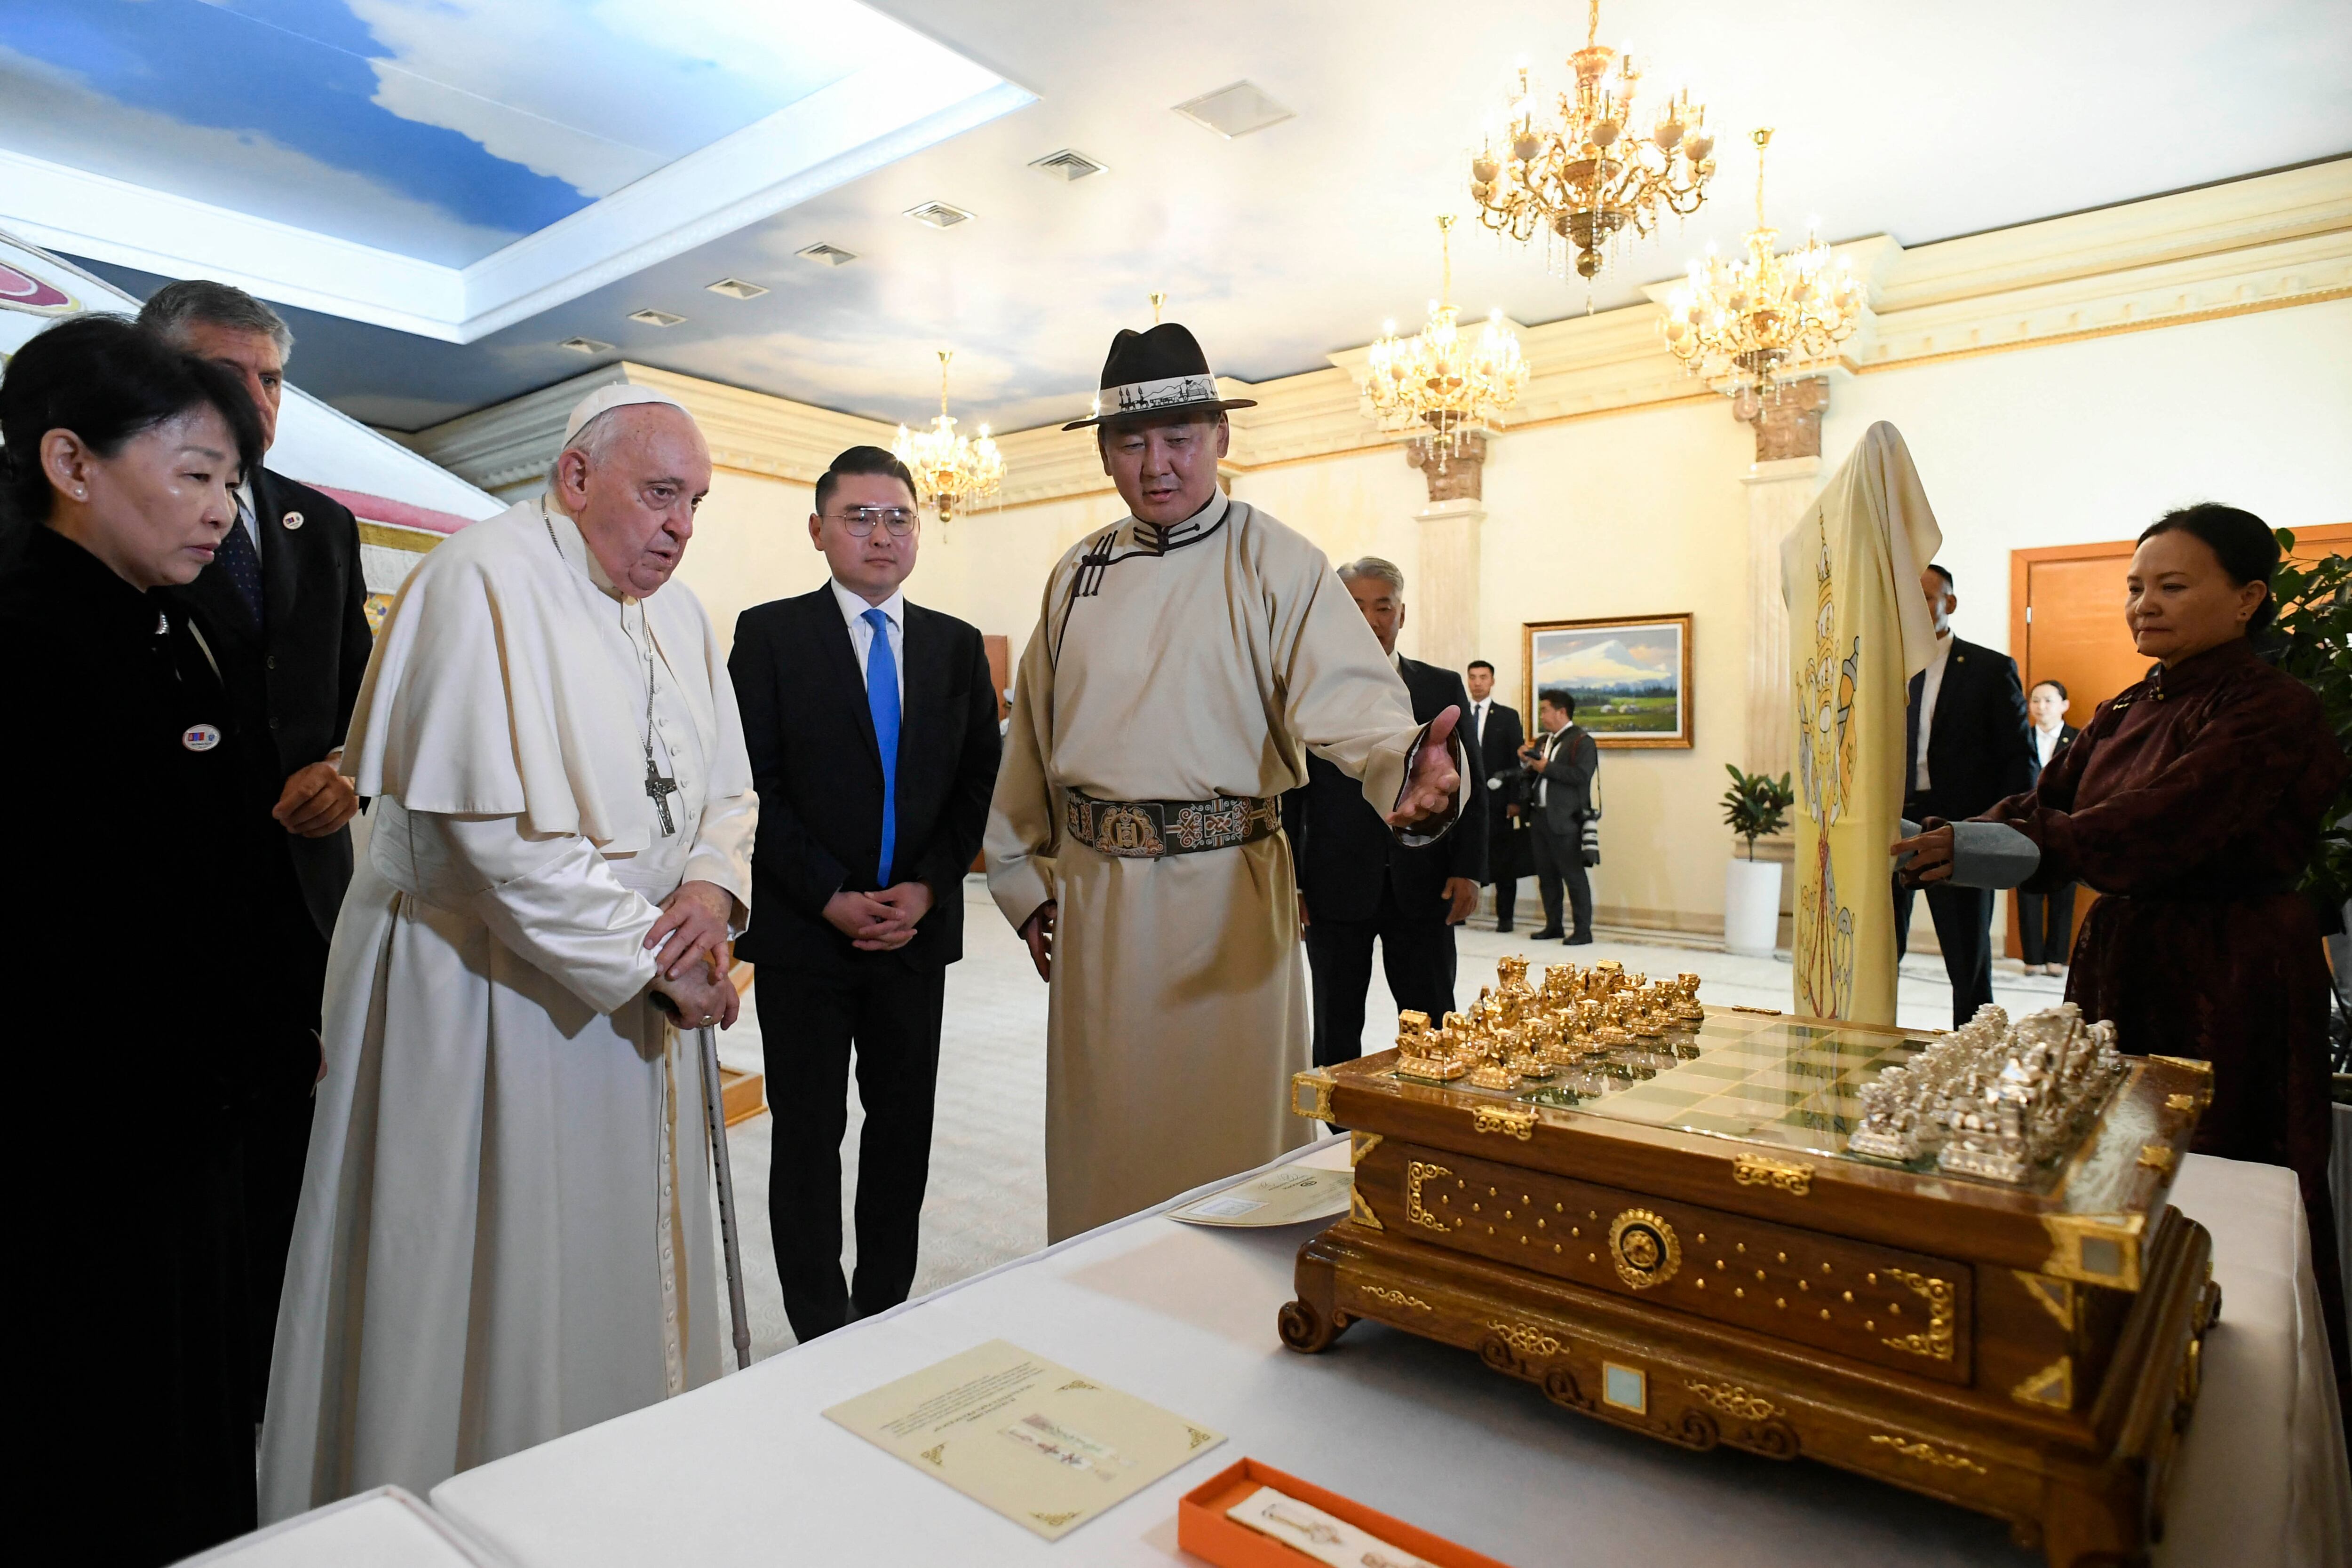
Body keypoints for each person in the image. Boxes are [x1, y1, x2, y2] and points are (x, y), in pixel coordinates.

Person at [261, 386, 757, 1513]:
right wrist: (658, 957)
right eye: (660, 493)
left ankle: (611, 1490)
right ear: (578, 479)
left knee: (615, 1262)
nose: (681, 526)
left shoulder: (679, 615)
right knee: (489, 1274)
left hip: (636, 978)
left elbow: (728, 791)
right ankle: (472, 1504)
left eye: (697, 504)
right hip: (479, 992)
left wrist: (709, 890)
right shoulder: (481, 577)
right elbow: (487, 844)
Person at [985, 322, 1465, 1243]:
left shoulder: (1278, 562)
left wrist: (1409, 767)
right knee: (1106, 1144)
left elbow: (1356, 705)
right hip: (1098, 905)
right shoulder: (1074, 575)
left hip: (1229, 903)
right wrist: (1020, 880)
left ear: (1221, 436)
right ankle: (1104, 1319)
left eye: (1179, 439)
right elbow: (1031, 744)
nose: (1156, 465)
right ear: (1103, 452)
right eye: (1132, 443)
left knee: (1230, 1158)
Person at [1895, 502, 2350, 1407]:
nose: (2145, 604)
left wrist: (1988, 846)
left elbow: (2159, 822)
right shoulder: (2133, 703)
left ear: (2250, 596)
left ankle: (2251, 1386)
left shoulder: (2277, 709)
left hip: (2232, 963)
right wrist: (1949, 836)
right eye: (2137, 586)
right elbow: (2043, 802)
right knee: (2114, 1149)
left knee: (2224, 1161)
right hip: (2126, 950)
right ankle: (2122, 1332)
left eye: (2173, 585)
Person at [0, 316, 269, 1563]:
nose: (220, 509)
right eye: (194, 473)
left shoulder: (189, 624)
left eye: (231, 481)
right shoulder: (26, 637)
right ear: (71, 462)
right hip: (72, 1128)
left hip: (192, 1107)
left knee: (192, 1405)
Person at [139, 279, 375, 1403]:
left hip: (305, 913)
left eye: (271, 379)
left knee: (291, 1172)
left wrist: (347, 770)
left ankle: (281, 1401)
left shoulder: (317, 524)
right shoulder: (99, 527)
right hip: (163, 916)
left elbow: (362, 699)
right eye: (226, 374)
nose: (256, 400)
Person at [728, 446, 999, 1344]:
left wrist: (925, 887)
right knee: (808, 1133)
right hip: (808, 936)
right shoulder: (769, 636)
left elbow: (975, 783)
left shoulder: (958, 646)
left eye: (899, 517)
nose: (882, 534)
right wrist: (833, 895)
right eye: (860, 516)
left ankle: (881, 1309)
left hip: (914, 937)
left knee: (902, 1130)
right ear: (819, 530)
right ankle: (816, 1324)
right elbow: (753, 783)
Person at [1284, 557, 1486, 1069]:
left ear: (1402, 614)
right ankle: (1338, 1133)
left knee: (1433, 1019)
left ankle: (1432, 1117)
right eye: (1355, 608)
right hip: (1334, 888)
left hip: (1424, 886)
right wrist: (1292, 883)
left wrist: (1468, 870)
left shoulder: (1439, 688)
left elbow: (1470, 786)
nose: (1372, 619)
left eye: (1383, 606)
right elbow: (1290, 796)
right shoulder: (1308, 693)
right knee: (1336, 1019)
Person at [1895, 562, 2034, 1025]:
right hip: (1890, 823)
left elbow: (2018, 756)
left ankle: (1975, 1046)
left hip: (1958, 827)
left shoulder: (1988, 669)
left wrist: (1997, 828)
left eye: (1924, 596)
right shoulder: (1880, 669)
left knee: (1966, 957)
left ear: (1947, 604)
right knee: (1876, 950)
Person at [1519, 689, 1598, 943]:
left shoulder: (1583, 741)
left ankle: (1583, 930)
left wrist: (1547, 767)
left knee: (1573, 876)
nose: (1541, 715)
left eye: (1545, 710)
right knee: (1547, 876)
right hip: (1540, 816)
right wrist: (1528, 763)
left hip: (1566, 818)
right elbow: (1536, 775)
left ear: (1561, 711)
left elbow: (1582, 776)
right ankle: (1554, 925)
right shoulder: (1544, 741)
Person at [2016, 678, 2079, 975]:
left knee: (2063, 890)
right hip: (2026, 825)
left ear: (2064, 705)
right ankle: (2032, 958)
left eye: (2049, 700)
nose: (2041, 707)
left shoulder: (2079, 740)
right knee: (2027, 887)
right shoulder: (2019, 738)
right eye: (2035, 700)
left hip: (2065, 824)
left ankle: (2057, 958)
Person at [1465, 658, 1528, 931]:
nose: (1477, 682)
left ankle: (1505, 917)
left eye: (1483, 677)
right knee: (1464, 857)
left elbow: (1518, 764)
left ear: (1492, 681)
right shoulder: (1459, 714)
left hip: (1499, 800)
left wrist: (1515, 801)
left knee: (1504, 860)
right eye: (1473, 677)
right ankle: (1459, 913)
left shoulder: (1507, 716)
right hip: (1465, 800)